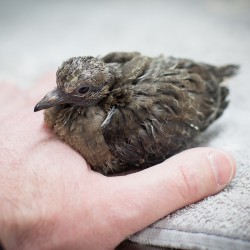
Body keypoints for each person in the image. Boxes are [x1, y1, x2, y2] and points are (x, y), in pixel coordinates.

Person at [0, 74, 236, 250]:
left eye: (80, 90)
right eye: (59, 88)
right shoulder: (64, 107)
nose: (51, 98)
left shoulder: (120, 126)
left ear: (100, 89)